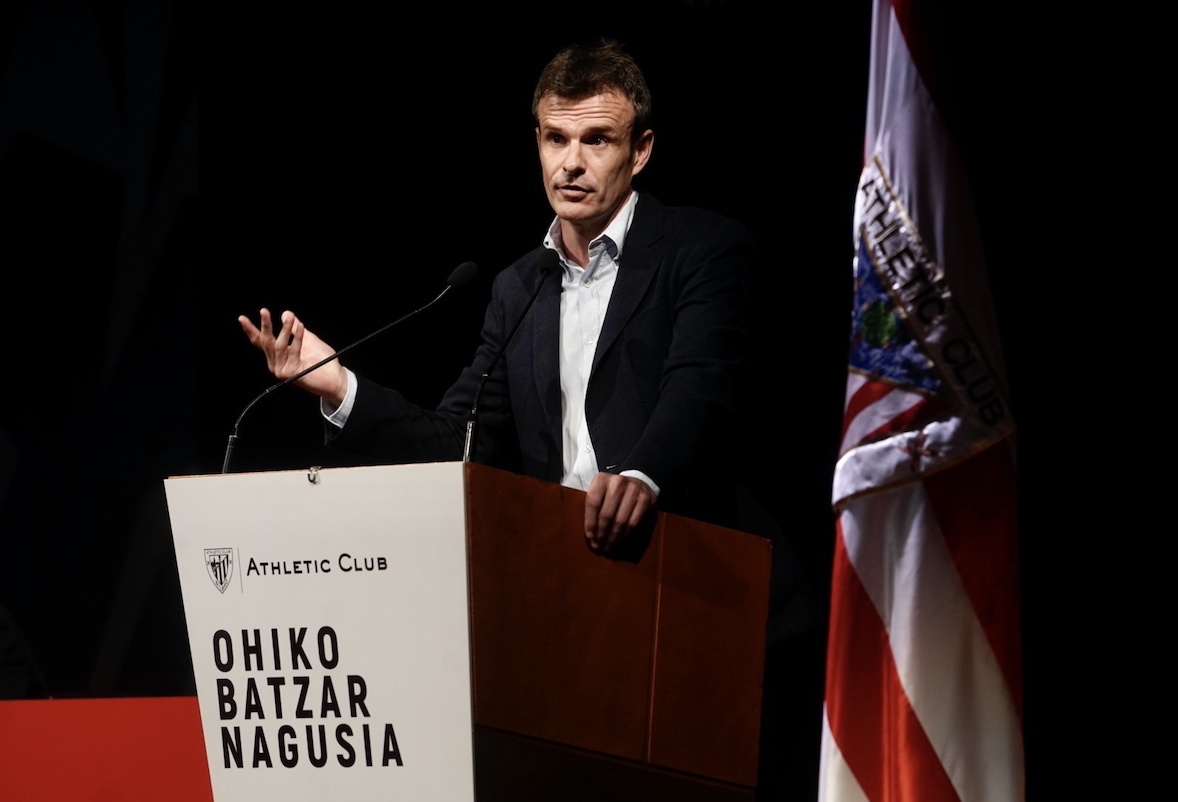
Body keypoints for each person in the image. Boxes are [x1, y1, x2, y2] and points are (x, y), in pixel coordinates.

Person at [240, 38, 815, 796]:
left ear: (639, 151)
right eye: (556, 138)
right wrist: (338, 383)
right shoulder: (520, 287)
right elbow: (461, 442)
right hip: (575, 611)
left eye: (596, 140)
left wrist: (642, 470)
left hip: (700, 605)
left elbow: (699, 387)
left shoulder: (700, 249)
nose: (571, 163)